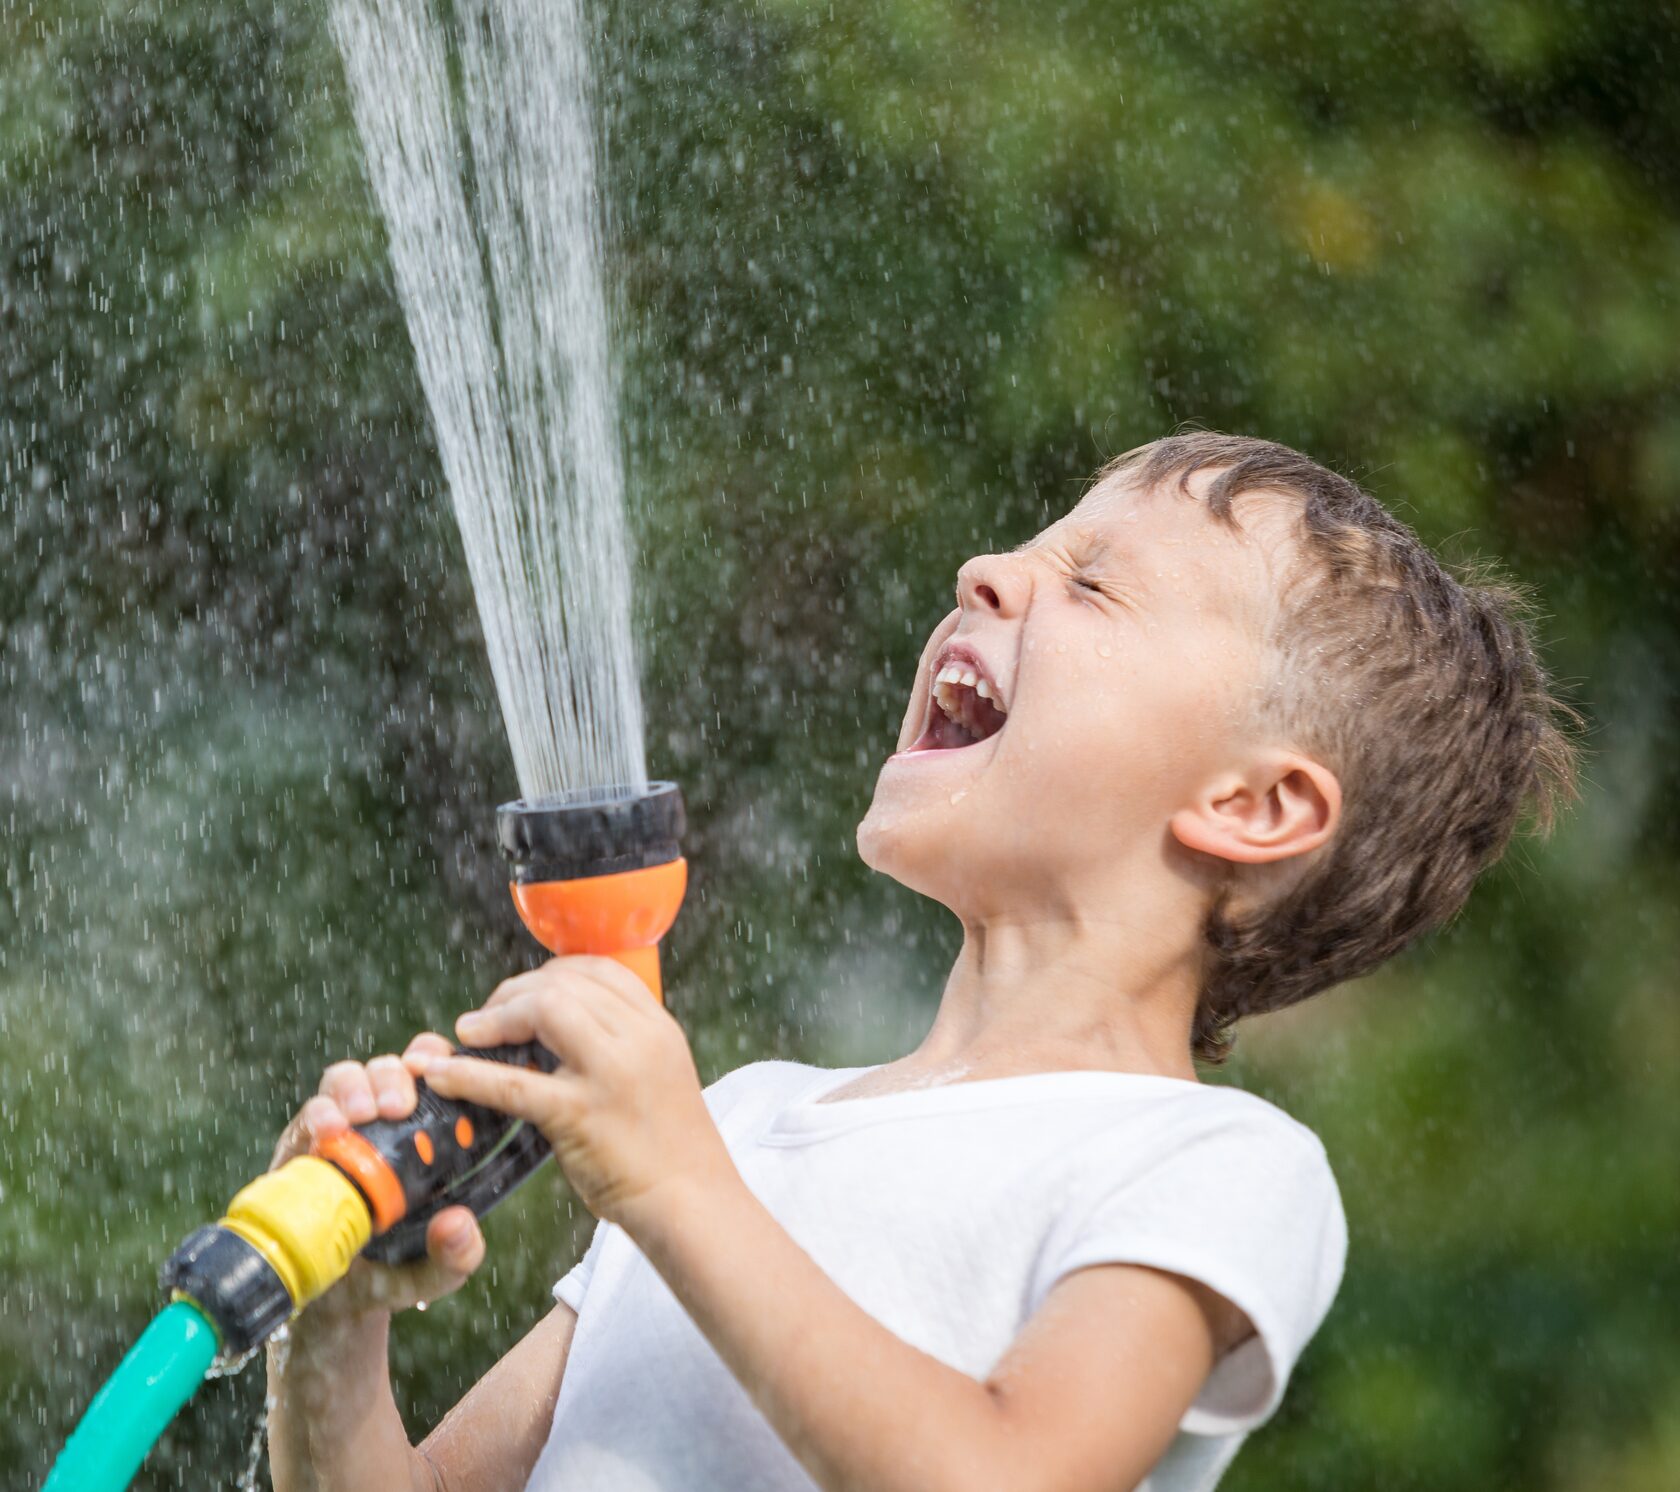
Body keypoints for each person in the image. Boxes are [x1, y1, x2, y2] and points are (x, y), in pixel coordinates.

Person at [266, 432, 1579, 1492]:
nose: (986, 571)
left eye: (1097, 584)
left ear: (1252, 807)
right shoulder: (744, 1119)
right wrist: (335, 1318)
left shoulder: (1210, 1170)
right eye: (1031, 547)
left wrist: (673, 1183)